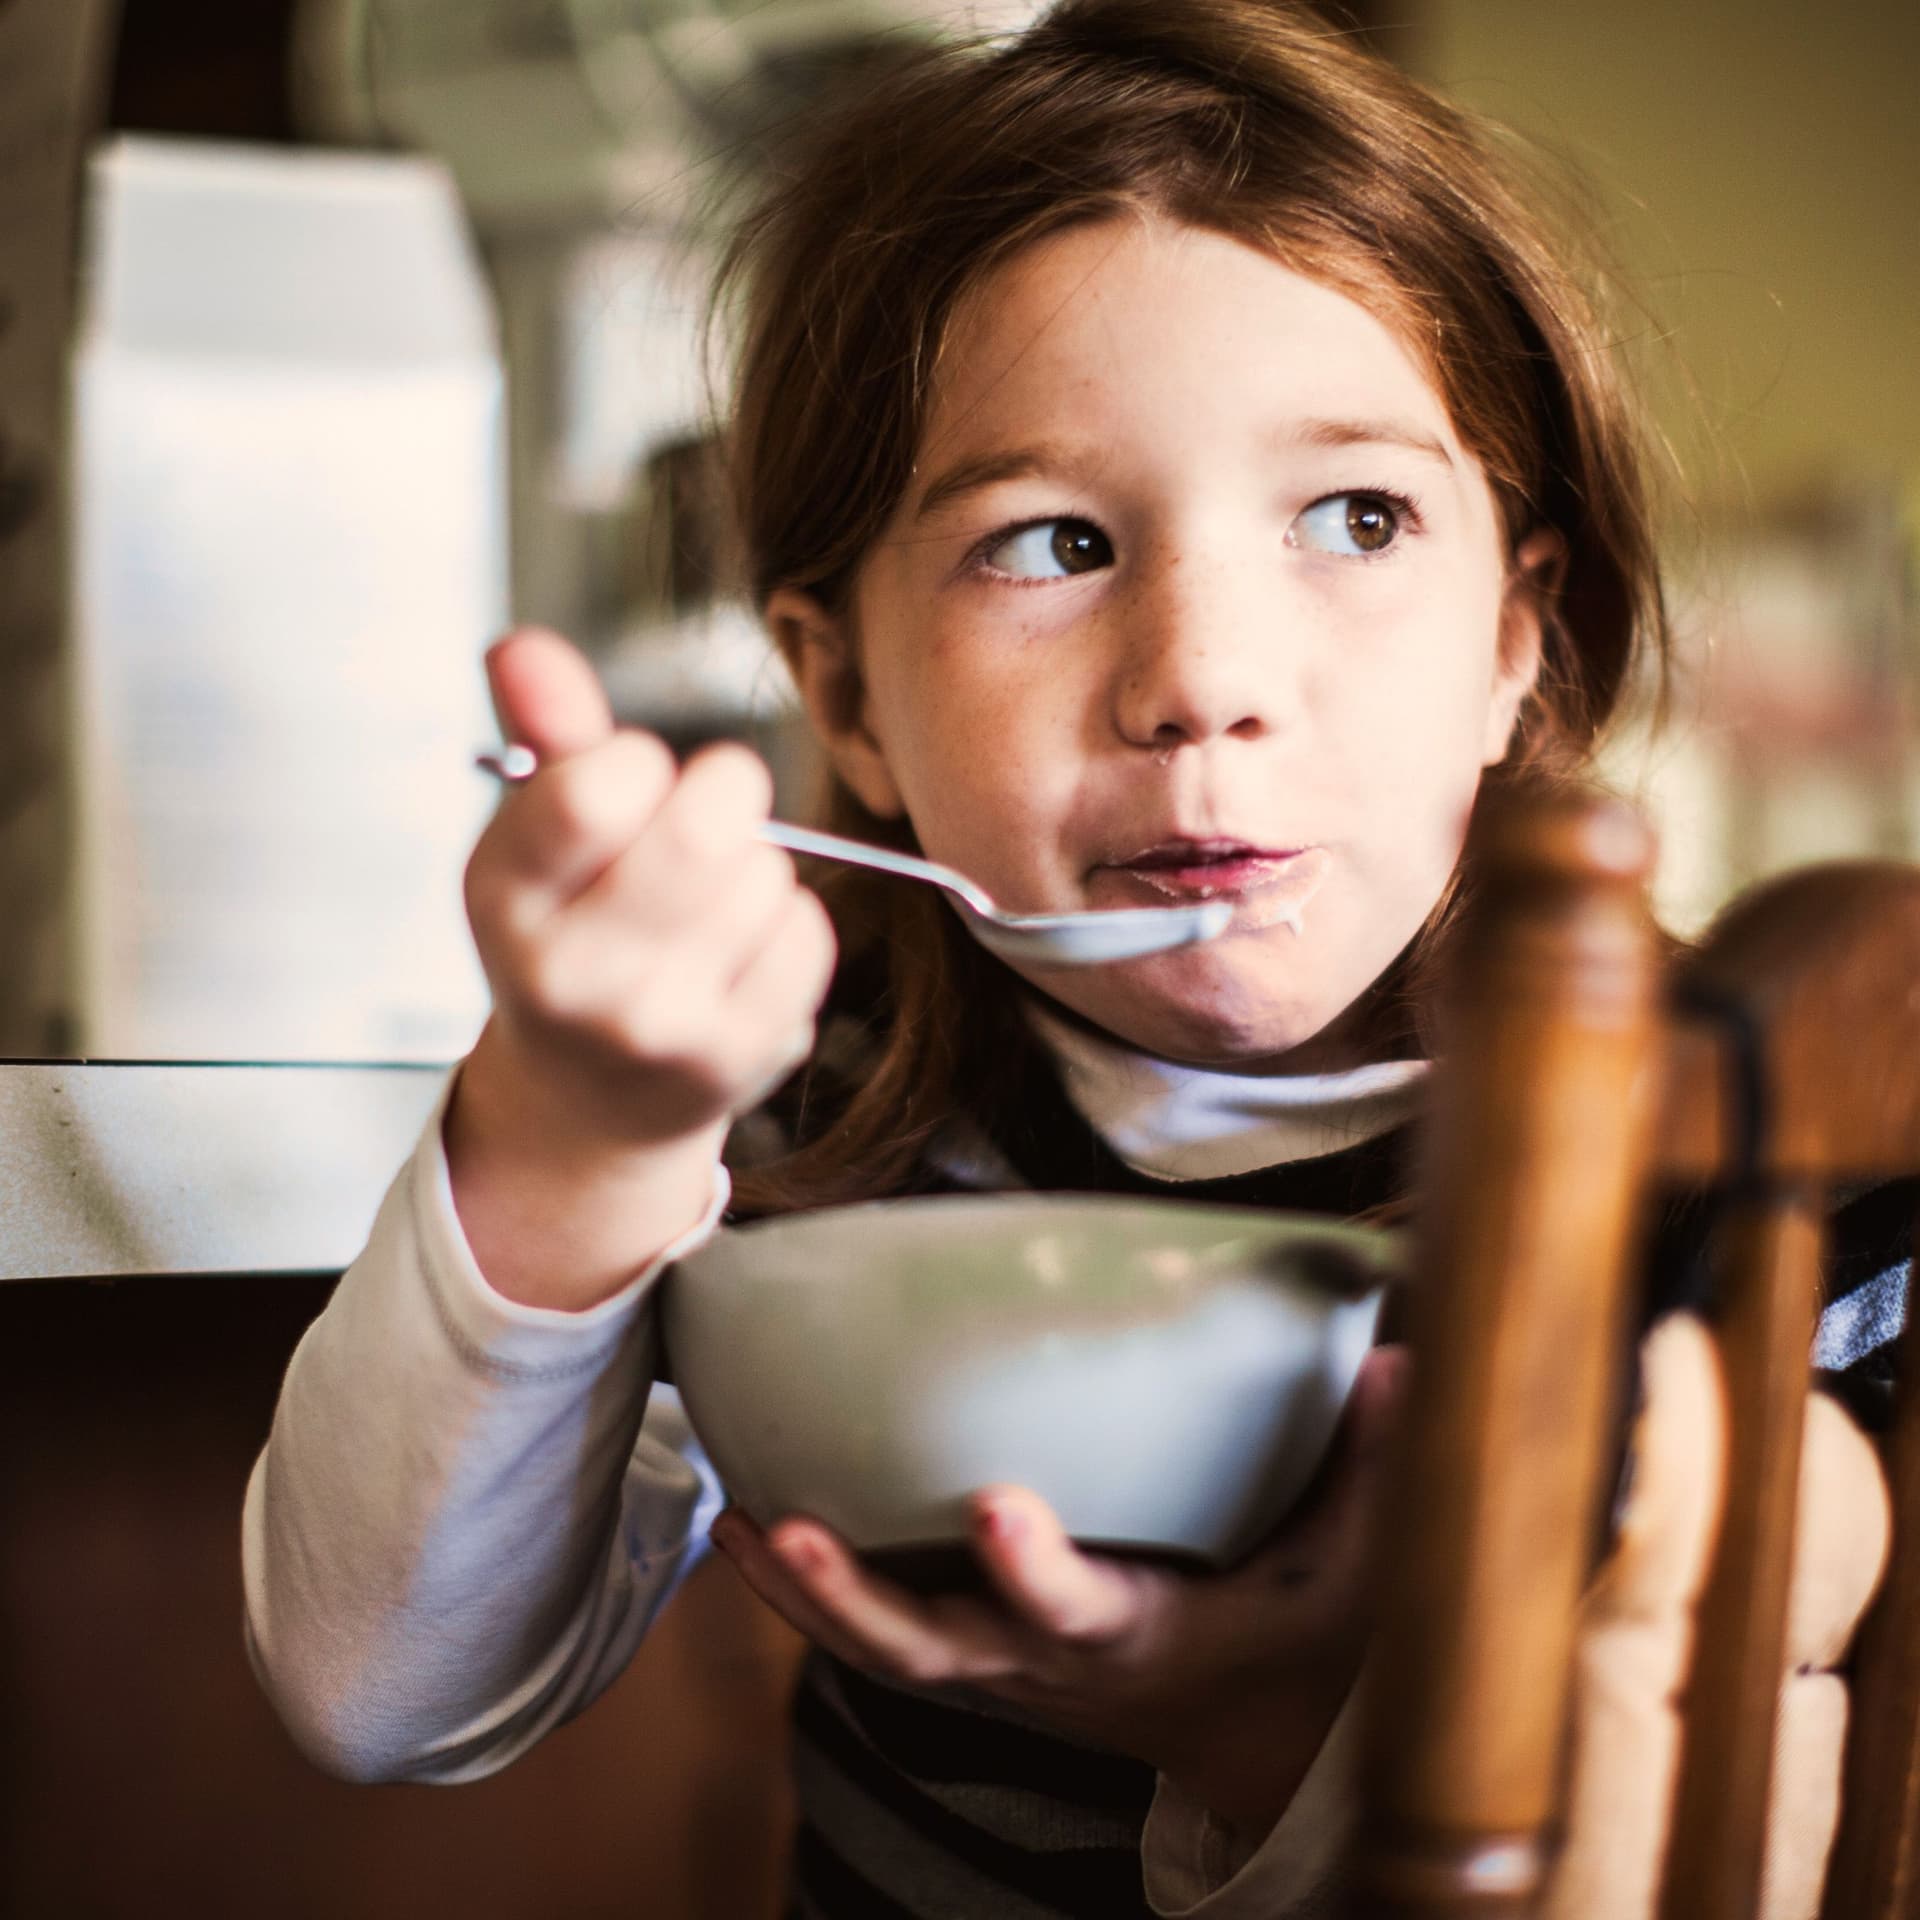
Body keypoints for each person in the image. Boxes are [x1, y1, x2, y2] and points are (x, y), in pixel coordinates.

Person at [241, 3, 1912, 1915]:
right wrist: (571, 1134)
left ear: (1515, 645)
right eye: (1048, 542)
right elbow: (386, 1693)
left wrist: (1264, 1740)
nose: (1201, 678)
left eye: (1355, 518)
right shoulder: (820, 1094)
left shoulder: (1771, 1192)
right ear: (846, 694)